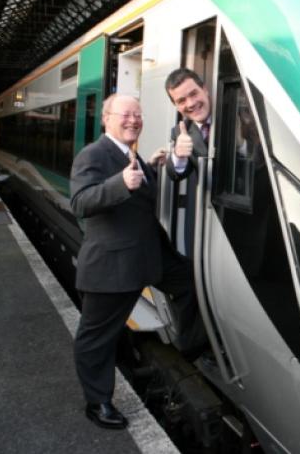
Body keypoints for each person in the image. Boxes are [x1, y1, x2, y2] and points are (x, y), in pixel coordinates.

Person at [70, 93, 199, 430]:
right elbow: (81, 202)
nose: (133, 120)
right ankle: (97, 403)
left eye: (138, 114)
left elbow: (140, 197)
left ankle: (191, 346)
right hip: (111, 268)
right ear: (106, 118)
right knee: (97, 338)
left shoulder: (131, 154)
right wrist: (120, 183)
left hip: (146, 257)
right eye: (126, 114)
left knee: (190, 281)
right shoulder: (94, 154)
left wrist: (152, 167)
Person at [164, 68, 212, 257]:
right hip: (206, 222)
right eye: (181, 101)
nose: (191, 104)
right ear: (176, 106)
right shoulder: (180, 131)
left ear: (205, 89)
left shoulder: (238, 114)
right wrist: (179, 155)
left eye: (193, 94)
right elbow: (175, 174)